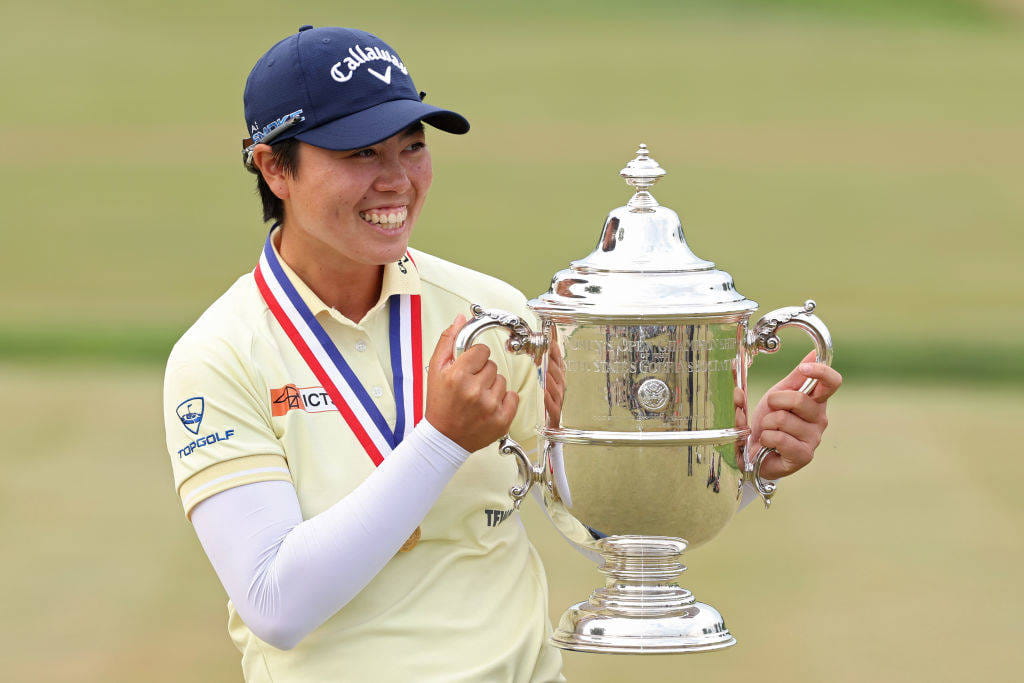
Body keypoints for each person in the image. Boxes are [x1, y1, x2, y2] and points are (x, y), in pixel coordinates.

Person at [162, 25, 842, 683]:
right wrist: (441, 440)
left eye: (411, 146)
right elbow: (276, 602)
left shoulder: (491, 312)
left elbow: (600, 512)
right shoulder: (220, 356)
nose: (397, 179)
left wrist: (741, 464)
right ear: (273, 166)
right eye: (359, 154)